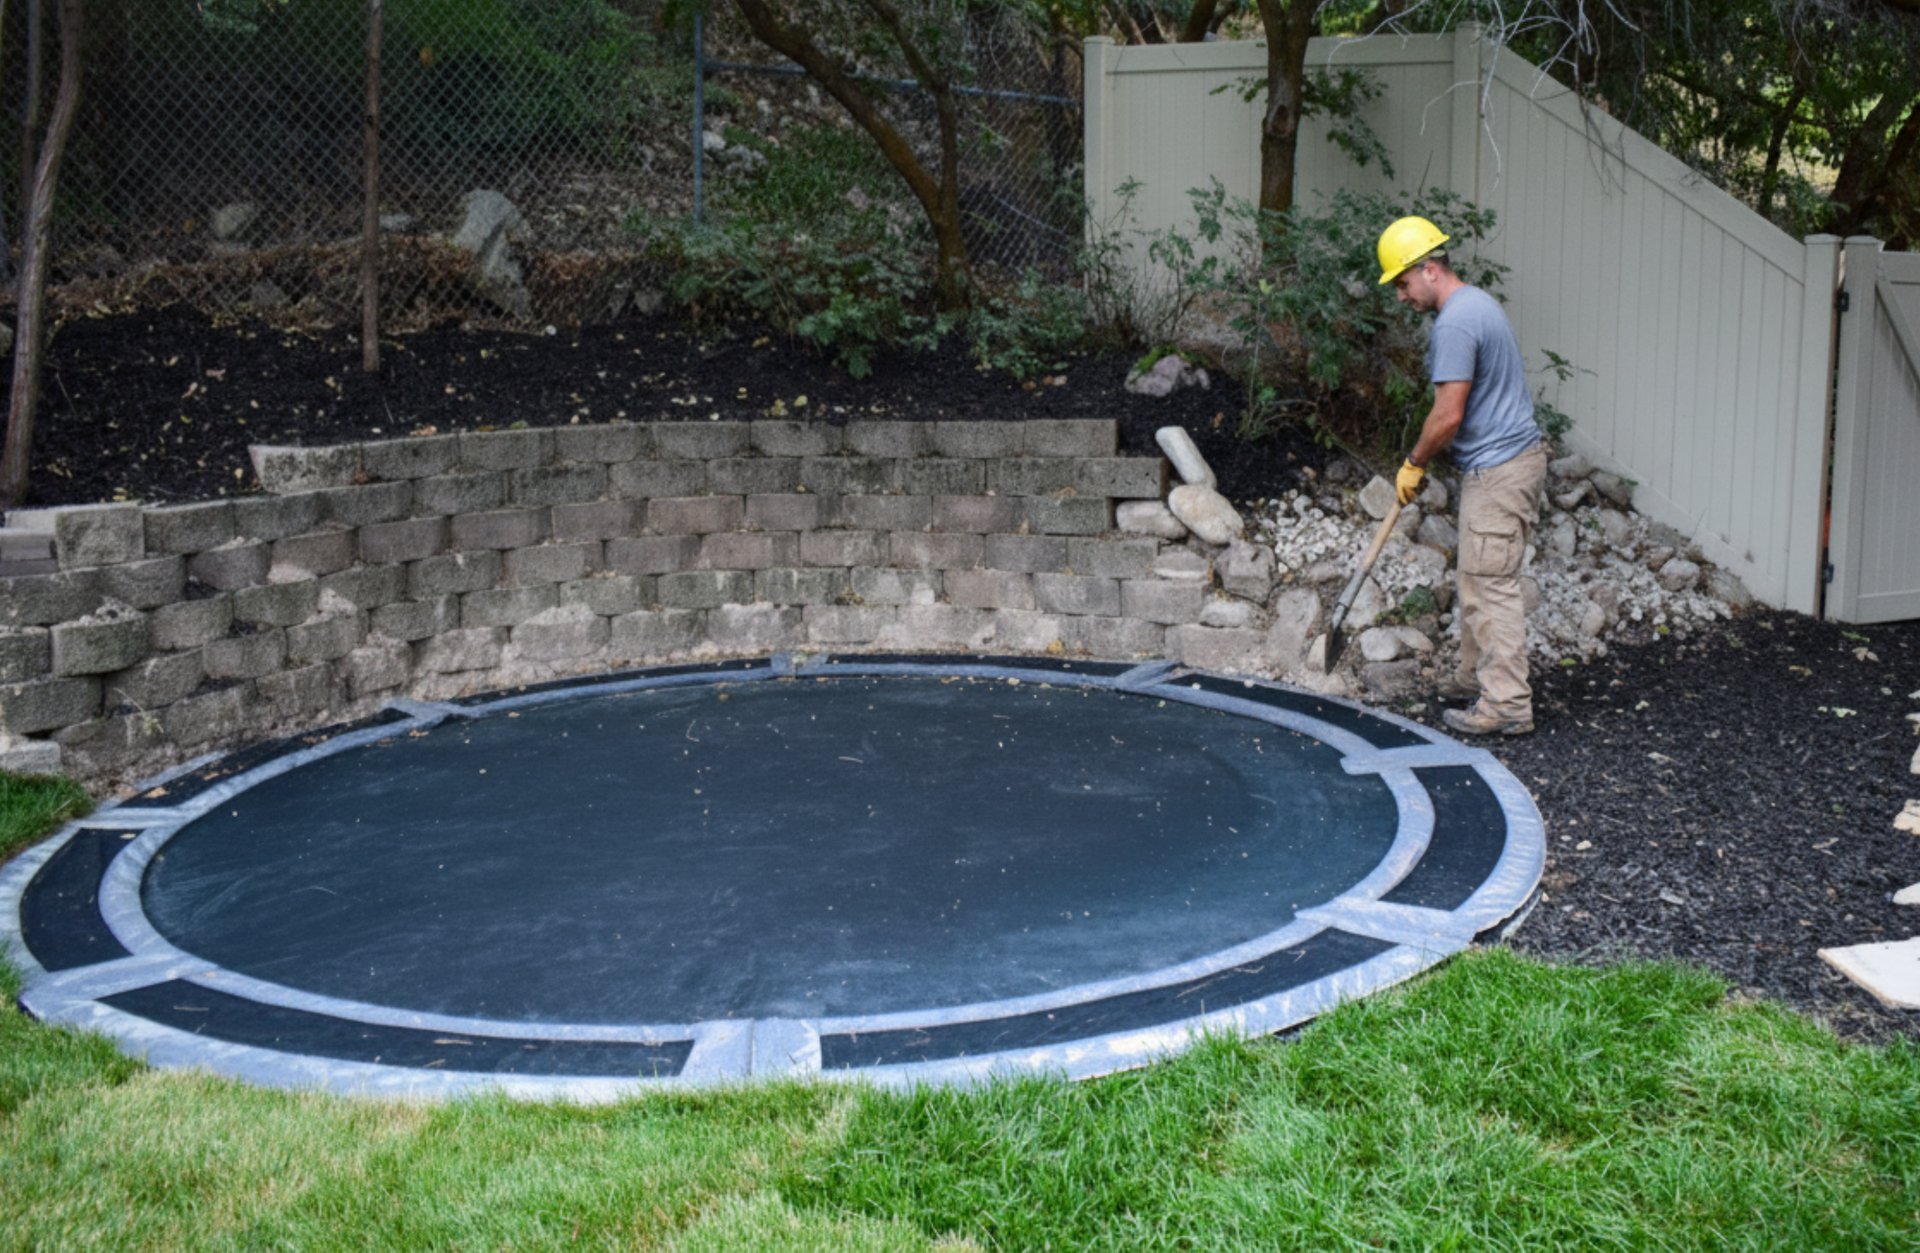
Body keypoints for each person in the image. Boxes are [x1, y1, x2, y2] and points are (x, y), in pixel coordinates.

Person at [1376, 215, 1549, 737]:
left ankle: (1507, 704)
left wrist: (1414, 462)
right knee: (1478, 574)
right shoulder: (1478, 304)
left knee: (1489, 585)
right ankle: (1473, 676)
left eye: (1403, 283)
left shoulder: (1454, 322)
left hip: (1500, 469)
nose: (1402, 297)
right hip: (1510, 463)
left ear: (1429, 269)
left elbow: (1447, 415)